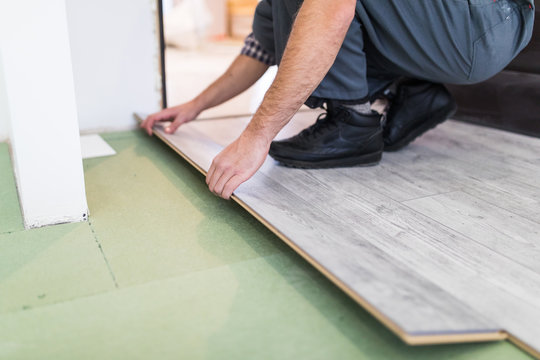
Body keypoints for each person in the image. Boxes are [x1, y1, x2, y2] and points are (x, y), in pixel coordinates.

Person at [142, 0, 535, 200]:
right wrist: (195, 105)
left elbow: (331, 11)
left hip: (484, 22)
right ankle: (414, 92)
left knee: (319, 12)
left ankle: (353, 124)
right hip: (463, 28)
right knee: (290, 14)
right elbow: (262, 45)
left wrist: (256, 136)